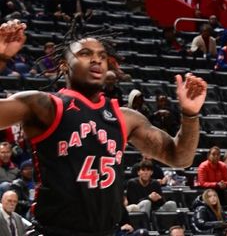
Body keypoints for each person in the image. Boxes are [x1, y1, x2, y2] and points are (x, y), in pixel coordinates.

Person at [0, 19, 206, 235]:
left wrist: (190, 114)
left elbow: (180, 158)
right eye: (85, 54)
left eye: (101, 56)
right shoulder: (45, 106)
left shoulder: (125, 118)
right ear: (64, 65)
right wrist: (2, 56)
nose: (96, 60)